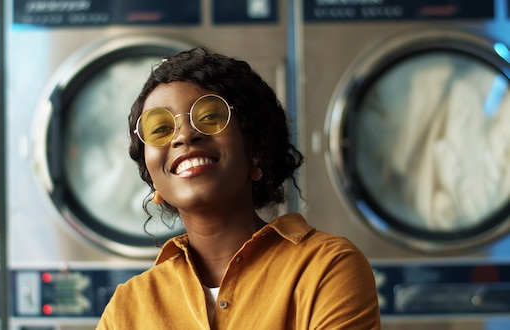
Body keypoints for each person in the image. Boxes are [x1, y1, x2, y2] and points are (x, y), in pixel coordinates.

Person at [97, 47, 381, 329]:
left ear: (255, 151)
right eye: (160, 129)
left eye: (209, 117)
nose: (184, 135)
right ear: (153, 179)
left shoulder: (327, 266)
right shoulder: (128, 306)